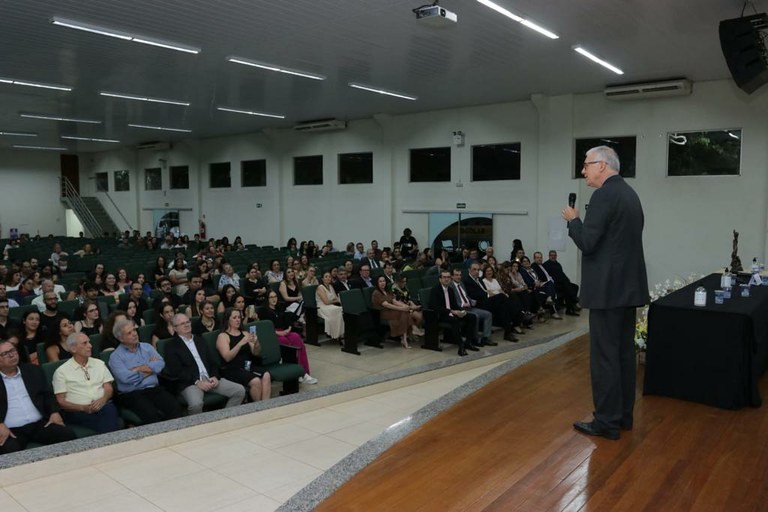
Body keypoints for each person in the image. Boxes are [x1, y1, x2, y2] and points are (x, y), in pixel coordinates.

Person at [562, 145, 648, 441]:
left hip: (606, 292)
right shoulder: (629, 194)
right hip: (627, 289)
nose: (583, 170)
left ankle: (606, 422)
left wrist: (573, 220)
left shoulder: (603, 195)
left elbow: (588, 242)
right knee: (623, 354)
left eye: (586, 164)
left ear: (602, 165)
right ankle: (623, 416)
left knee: (604, 357)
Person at [0, 339, 76, 454]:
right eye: (5, 354)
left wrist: (54, 412)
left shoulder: (33, 370)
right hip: (11, 430)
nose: (11, 355)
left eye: (13, 350)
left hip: (40, 424)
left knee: (67, 435)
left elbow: (47, 395)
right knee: (6, 450)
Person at [164, 313, 246, 415]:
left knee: (239, 391)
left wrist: (215, 376)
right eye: (182, 324)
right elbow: (177, 371)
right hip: (191, 382)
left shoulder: (200, 340)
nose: (186, 325)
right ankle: (198, 428)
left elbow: (212, 362)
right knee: (196, 404)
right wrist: (197, 382)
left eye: (187, 322)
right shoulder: (171, 346)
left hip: (210, 378)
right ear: (175, 328)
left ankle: (225, 418)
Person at [108, 319, 182, 424]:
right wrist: (151, 369)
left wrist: (137, 369)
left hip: (153, 389)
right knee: (151, 414)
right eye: (129, 333)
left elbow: (160, 364)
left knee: (175, 407)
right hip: (132, 394)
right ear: (121, 338)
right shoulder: (115, 357)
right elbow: (126, 378)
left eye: (134, 330)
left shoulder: (147, 347)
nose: (134, 334)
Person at [52, 333, 120, 433]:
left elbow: (108, 388)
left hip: (103, 406)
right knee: (107, 422)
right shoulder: (61, 372)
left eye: (89, 342)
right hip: (77, 411)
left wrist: (103, 399)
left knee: (110, 409)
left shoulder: (99, 364)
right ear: (73, 349)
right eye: (85, 343)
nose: (90, 345)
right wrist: (83, 408)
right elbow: (61, 401)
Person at [215, 308, 272, 401]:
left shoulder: (245, 333)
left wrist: (256, 342)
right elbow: (227, 357)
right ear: (227, 319)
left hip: (247, 365)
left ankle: (266, 405)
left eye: (239, 317)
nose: (238, 320)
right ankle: (258, 408)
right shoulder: (223, 336)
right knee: (256, 381)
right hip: (232, 369)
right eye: (234, 317)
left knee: (266, 375)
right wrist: (240, 343)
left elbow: (256, 353)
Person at [430, 270, 478, 356]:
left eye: (448, 277)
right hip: (441, 315)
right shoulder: (435, 290)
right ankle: (461, 346)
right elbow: (435, 307)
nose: (446, 279)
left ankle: (468, 342)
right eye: (444, 277)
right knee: (454, 321)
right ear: (440, 279)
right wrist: (451, 311)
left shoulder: (450, 290)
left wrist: (460, 311)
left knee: (472, 317)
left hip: (452, 312)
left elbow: (454, 305)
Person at [451, 268, 495, 346]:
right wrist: (462, 304)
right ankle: (475, 339)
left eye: (460, 275)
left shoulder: (461, 283)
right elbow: (452, 301)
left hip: (470, 307)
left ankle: (485, 337)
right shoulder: (450, 286)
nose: (459, 277)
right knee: (475, 316)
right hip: (460, 309)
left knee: (488, 314)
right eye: (456, 275)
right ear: (452, 276)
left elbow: (465, 295)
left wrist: (471, 301)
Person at [372, 276, 414, 349]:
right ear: (377, 283)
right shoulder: (376, 293)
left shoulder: (387, 291)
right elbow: (387, 305)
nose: (383, 283)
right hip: (383, 313)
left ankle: (404, 339)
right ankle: (410, 332)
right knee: (403, 312)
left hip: (391, 311)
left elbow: (394, 301)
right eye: (380, 281)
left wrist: (404, 307)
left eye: (384, 281)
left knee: (404, 313)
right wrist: (402, 309)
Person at [542, 250, 581, 316]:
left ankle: (571, 307)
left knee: (575, 286)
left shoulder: (558, 264)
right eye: (552, 255)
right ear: (549, 256)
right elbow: (548, 277)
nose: (553, 256)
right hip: (555, 284)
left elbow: (562, 274)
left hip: (562, 283)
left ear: (556, 256)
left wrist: (567, 280)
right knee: (568, 288)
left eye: (554, 255)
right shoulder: (546, 265)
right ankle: (573, 304)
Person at [315, 272, 344, 342]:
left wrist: (338, 301)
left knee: (341, 310)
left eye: (329, 277)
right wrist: (336, 301)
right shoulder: (320, 287)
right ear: (322, 279)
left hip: (330, 306)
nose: (328, 278)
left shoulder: (331, 286)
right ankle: (338, 335)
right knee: (340, 310)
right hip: (322, 307)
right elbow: (326, 302)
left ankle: (341, 334)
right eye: (326, 277)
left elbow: (335, 298)